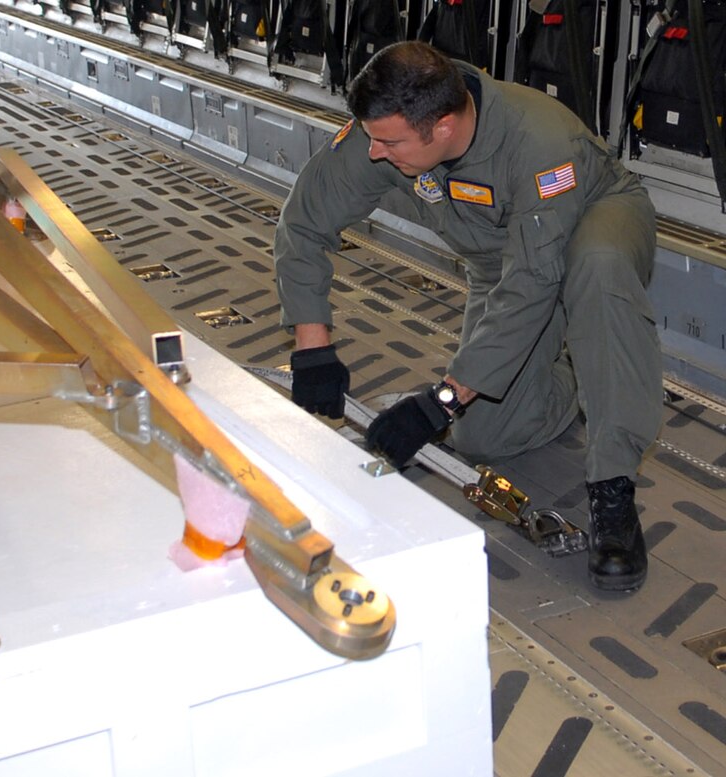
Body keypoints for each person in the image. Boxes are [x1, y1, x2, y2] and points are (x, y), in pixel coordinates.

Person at [274, 41, 662, 593]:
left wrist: (443, 401)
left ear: (445, 127)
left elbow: (534, 283)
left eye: (389, 142)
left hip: (592, 226)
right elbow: (304, 220)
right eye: (373, 138)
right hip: (505, 266)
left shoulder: (539, 140)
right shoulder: (389, 131)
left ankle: (614, 483)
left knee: (596, 273)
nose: (377, 153)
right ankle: (579, 376)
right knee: (485, 436)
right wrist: (313, 349)